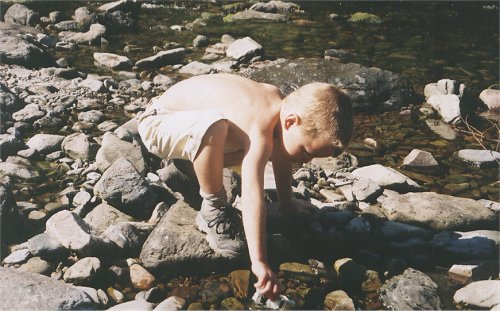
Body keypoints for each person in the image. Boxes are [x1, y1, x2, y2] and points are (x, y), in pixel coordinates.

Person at [137, 73, 354, 300]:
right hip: (157, 120)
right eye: (306, 152)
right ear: (291, 121)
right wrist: (259, 262)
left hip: (181, 121)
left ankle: (186, 171)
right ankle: (213, 208)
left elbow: (282, 157)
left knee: (252, 143)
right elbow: (252, 195)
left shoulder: (278, 108)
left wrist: (286, 203)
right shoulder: (259, 126)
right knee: (215, 127)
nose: (306, 161)